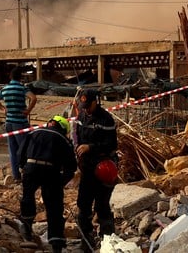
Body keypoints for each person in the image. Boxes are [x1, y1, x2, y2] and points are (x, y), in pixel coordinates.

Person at [17, 115, 77, 253]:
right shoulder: (64, 140)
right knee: (54, 207)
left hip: (31, 168)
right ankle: (57, 243)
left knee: (27, 197)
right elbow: (71, 167)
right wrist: (60, 183)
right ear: (62, 128)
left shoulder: (33, 132)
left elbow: (20, 153)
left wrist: (23, 168)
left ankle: (26, 229)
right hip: (51, 171)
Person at [73, 88, 118, 252]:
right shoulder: (81, 116)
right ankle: (86, 240)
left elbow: (112, 145)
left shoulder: (106, 119)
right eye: (82, 106)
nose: (85, 109)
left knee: (102, 205)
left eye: (88, 105)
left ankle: (108, 240)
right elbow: (76, 136)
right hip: (87, 168)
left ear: (95, 102)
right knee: (83, 205)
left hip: (103, 167)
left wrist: (90, 147)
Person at [0, 67, 37, 181]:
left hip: (9, 122)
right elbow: (33, 98)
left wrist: (3, 109)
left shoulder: (5, 89)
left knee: (12, 150)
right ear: (20, 77)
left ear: (10, 77)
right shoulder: (22, 88)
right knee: (24, 149)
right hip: (20, 123)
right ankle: (26, 173)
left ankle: (16, 176)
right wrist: (28, 111)